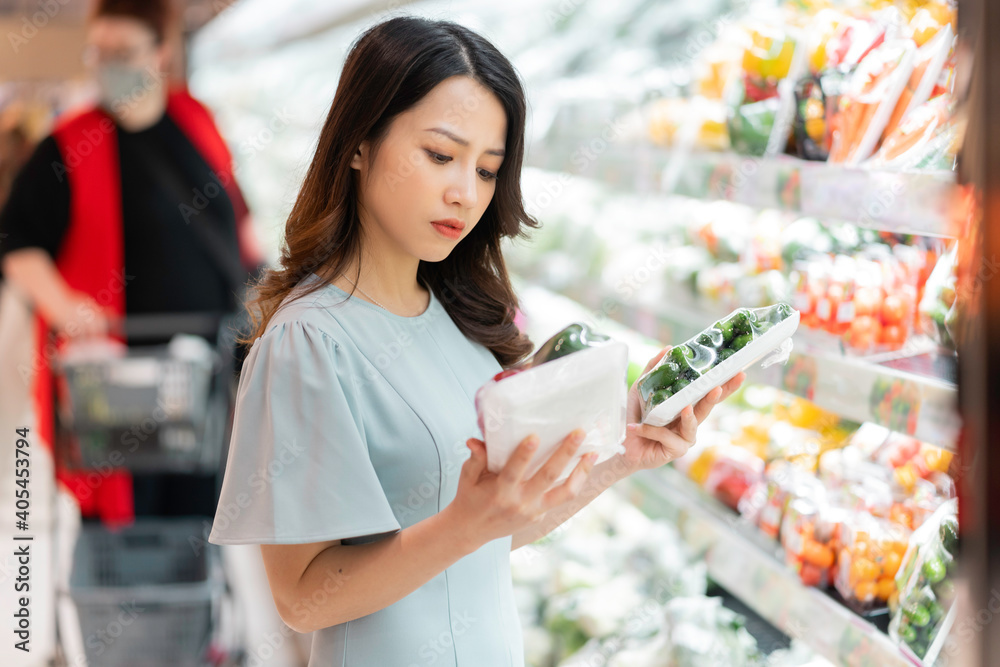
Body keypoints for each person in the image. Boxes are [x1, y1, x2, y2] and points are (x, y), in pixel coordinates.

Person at [206, 15, 743, 666]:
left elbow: (490, 534)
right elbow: (301, 598)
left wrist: (626, 449)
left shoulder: (462, 325)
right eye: (440, 156)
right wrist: (463, 523)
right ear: (357, 143)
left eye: (487, 170)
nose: (465, 192)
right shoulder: (309, 342)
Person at [0, 0, 264, 526]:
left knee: (199, 509)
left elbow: (235, 215)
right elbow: (17, 242)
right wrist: (65, 306)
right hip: (116, 382)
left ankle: (188, 606)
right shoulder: (68, 145)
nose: (105, 63)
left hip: (202, 370)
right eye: (97, 50)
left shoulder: (195, 120)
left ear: (160, 54)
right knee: (128, 519)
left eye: (121, 51)